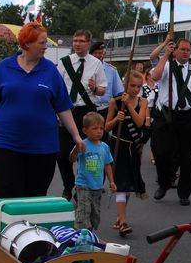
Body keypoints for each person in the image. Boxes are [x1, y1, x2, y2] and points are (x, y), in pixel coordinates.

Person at [0, 22, 85, 199]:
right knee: (6, 195)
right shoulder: (4, 67)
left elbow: (63, 107)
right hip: (7, 142)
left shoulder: (50, 70)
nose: (45, 46)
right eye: (41, 43)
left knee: (35, 197)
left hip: (43, 146)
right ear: (27, 44)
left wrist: (76, 136)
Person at [152, 38, 191, 205]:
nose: (185, 52)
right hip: (166, 115)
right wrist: (165, 55)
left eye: (188, 50)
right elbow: (155, 76)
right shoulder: (166, 66)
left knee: (186, 157)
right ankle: (164, 183)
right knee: (161, 153)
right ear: (175, 50)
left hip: (187, 117)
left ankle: (184, 193)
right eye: (182, 49)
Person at [57, 29, 107, 200]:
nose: (77, 44)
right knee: (62, 154)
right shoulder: (64, 62)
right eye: (75, 41)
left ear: (88, 43)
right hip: (67, 111)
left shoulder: (96, 64)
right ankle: (68, 184)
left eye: (81, 41)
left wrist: (95, 88)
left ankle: (82, 188)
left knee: (87, 153)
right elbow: (57, 87)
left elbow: (102, 90)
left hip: (87, 112)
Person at [105, 71, 148, 235]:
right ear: (125, 85)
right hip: (118, 146)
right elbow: (106, 127)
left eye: (139, 86)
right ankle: (123, 222)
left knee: (128, 185)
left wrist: (129, 105)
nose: (136, 89)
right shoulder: (115, 102)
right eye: (132, 86)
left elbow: (139, 122)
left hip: (134, 147)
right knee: (121, 184)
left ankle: (119, 216)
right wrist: (117, 119)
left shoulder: (143, 102)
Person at [70, 112, 116, 230]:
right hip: (83, 184)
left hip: (97, 185)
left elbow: (107, 165)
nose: (99, 131)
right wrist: (76, 150)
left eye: (101, 128)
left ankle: (89, 233)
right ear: (85, 130)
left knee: (95, 213)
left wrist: (111, 181)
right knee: (84, 210)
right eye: (94, 128)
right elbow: (72, 159)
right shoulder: (83, 144)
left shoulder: (104, 147)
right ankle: (79, 233)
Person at [90, 41, 125, 145]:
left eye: (100, 53)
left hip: (105, 110)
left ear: (104, 54)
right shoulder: (85, 69)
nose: (98, 55)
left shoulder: (111, 71)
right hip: (89, 109)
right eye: (95, 53)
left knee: (104, 141)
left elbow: (118, 93)